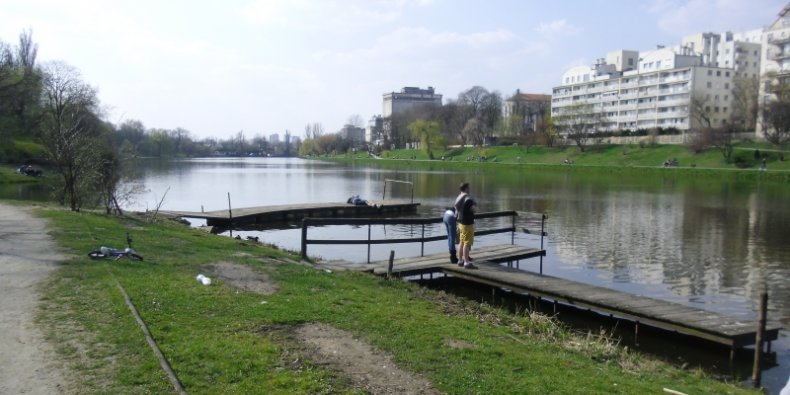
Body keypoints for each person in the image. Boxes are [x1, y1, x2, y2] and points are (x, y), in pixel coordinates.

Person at [454, 182, 477, 269]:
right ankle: (466, 262)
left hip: (461, 223)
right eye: (469, 187)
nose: (470, 189)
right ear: (466, 188)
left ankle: (460, 260)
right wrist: (476, 208)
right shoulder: (467, 198)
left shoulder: (459, 196)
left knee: (461, 242)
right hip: (468, 224)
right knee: (467, 244)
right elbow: (474, 209)